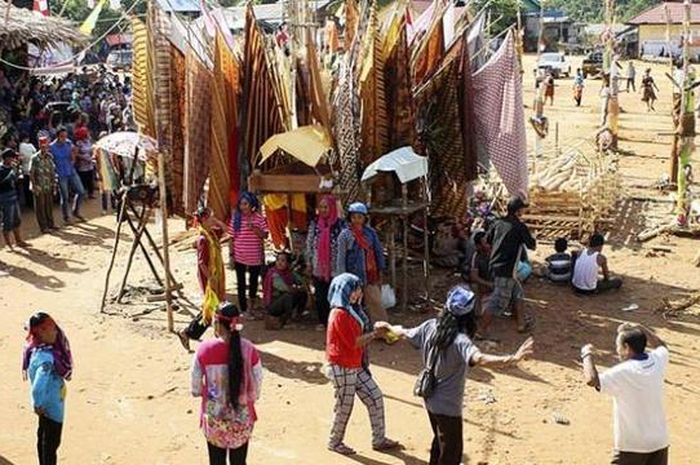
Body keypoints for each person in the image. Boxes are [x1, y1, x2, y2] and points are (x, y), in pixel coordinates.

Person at [385, 286, 533, 465]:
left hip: (429, 398)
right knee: (451, 453)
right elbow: (481, 359)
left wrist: (388, 327)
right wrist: (513, 359)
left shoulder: (430, 326)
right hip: (448, 406)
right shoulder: (459, 340)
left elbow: (404, 333)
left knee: (440, 443)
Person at [325, 273, 399, 456]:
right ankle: (334, 442)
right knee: (345, 405)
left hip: (353, 364)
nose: (359, 292)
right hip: (342, 365)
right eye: (355, 289)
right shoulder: (340, 314)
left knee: (375, 397)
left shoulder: (351, 310)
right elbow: (354, 342)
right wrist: (376, 334)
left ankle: (379, 438)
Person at [581, 323, 669, 465]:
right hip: (660, 442)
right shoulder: (657, 360)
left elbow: (592, 380)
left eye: (618, 346)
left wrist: (586, 354)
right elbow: (662, 346)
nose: (617, 350)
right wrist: (641, 327)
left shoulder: (622, 372)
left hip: (632, 446)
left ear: (627, 347)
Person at [191, 302, 263, 465]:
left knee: (216, 461)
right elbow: (258, 378)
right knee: (239, 461)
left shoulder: (204, 349)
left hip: (215, 415)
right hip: (242, 416)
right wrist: (253, 397)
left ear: (217, 323)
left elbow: (195, 383)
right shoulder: (249, 348)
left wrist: (198, 392)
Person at [22, 312, 73, 465]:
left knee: (43, 437)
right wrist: (37, 404)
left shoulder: (35, 349)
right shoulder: (48, 360)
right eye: (52, 329)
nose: (56, 331)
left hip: (46, 406)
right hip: (52, 408)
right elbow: (38, 387)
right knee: (51, 445)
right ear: (42, 332)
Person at [178, 207, 228, 352]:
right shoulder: (203, 239)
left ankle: (189, 333)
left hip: (215, 276)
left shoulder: (211, 233)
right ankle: (192, 332)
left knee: (212, 306)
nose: (213, 219)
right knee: (212, 306)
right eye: (211, 217)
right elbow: (202, 263)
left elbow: (227, 230)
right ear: (204, 220)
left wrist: (216, 221)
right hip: (209, 277)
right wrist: (211, 279)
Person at [484, 197, 536, 333]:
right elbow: (532, 245)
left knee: (518, 294)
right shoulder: (519, 227)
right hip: (507, 269)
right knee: (497, 301)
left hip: (496, 265)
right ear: (518, 211)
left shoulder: (498, 223)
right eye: (523, 209)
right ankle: (481, 330)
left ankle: (521, 324)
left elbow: (487, 241)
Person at [336, 202, 387, 322]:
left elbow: (378, 251)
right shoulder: (345, 235)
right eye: (354, 217)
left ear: (365, 218)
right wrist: (341, 276)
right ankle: (355, 327)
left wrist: (381, 268)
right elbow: (341, 257)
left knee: (375, 301)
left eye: (360, 217)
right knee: (353, 303)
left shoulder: (370, 233)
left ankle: (381, 327)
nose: (357, 220)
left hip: (370, 274)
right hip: (353, 275)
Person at [305, 194, 345, 329]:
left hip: (335, 268)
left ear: (332, 208)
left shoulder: (340, 226)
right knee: (320, 296)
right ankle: (323, 321)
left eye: (326, 207)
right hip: (318, 267)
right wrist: (309, 262)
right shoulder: (315, 224)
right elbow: (309, 243)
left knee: (334, 296)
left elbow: (343, 247)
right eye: (321, 207)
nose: (323, 210)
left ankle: (334, 323)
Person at [230, 192, 268, 318]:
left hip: (254, 257)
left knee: (253, 283)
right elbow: (232, 237)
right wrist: (231, 253)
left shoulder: (258, 218)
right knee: (241, 283)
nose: (243, 207)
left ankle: (251, 307)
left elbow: (265, 235)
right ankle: (244, 309)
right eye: (241, 204)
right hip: (240, 255)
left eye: (245, 204)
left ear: (251, 204)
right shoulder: (236, 218)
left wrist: (256, 230)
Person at [262, 251, 308, 329]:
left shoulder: (289, 273)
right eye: (278, 260)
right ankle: (288, 321)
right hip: (273, 305)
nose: (280, 263)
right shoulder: (274, 274)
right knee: (288, 296)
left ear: (288, 263)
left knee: (302, 294)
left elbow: (302, 283)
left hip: (283, 302)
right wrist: (297, 289)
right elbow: (285, 288)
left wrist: (300, 285)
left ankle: (297, 315)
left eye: (283, 261)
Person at [50, 127, 86, 224]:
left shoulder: (68, 143)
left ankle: (76, 211)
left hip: (71, 170)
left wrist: (73, 157)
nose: (64, 138)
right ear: (57, 137)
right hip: (61, 174)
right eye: (62, 137)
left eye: (65, 136)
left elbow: (74, 152)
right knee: (65, 196)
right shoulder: (51, 147)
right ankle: (66, 217)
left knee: (81, 191)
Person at [0, 148, 28, 249]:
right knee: (7, 220)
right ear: (6, 158)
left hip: (13, 195)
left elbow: (16, 180)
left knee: (16, 219)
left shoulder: (11, 167)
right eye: (11, 157)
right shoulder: (1, 169)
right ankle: (8, 244)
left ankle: (18, 240)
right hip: (4, 197)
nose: (13, 159)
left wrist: (17, 173)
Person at [29, 137, 57, 233]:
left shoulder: (50, 157)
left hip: (48, 184)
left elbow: (52, 171)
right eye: (42, 145)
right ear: (39, 146)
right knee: (40, 207)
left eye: (46, 145)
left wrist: (54, 184)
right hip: (39, 185)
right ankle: (43, 227)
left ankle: (51, 224)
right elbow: (31, 173)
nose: (44, 147)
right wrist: (34, 185)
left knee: (49, 205)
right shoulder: (35, 158)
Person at [468, 231, 494, 317]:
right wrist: (488, 284)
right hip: (486, 286)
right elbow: (474, 277)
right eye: (485, 242)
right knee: (474, 286)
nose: (488, 245)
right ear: (478, 246)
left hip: (498, 284)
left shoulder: (495, 253)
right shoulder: (476, 257)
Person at [74, 126, 95, 199]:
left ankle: (91, 193)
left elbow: (92, 150)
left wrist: (92, 156)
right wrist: (83, 158)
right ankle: (84, 194)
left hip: (90, 164)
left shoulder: (89, 141)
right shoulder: (78, 143)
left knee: (90, 179)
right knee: (83, 179)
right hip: (82, 165)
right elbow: (76, 154)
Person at [18, 133, 36, 208]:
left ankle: (28, 203)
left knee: (26, 188)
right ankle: (33, 203)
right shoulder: (31, 146)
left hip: (25, 169)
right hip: (32, 168)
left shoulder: (20, 146)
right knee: (32, 185)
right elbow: (35, 153)